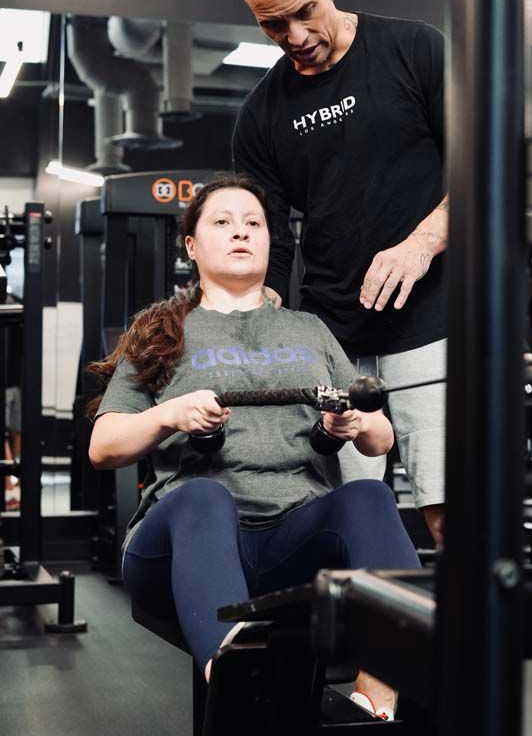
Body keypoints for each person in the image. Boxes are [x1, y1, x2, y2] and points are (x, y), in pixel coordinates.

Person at [88, 174, 419, 718]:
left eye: (253, 224)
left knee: (370, 498)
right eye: (222, 222)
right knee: (203, 495)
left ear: (269, 241)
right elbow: (104, 446)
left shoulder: (309, 329)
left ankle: (378, 697)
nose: (240, 232)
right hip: (186, 544)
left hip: (292, 538)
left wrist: (353, 423)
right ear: (192, 246)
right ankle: (242, 693)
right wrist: (170, 412)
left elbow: (381, 437)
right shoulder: (159, 329)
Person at [234, 0, 448, 545]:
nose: (296, 35)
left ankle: (474, 639)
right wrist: (258, 311)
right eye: (274, 25)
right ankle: (361, 641)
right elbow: (266, 235)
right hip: (331, 337)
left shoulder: (413, 50)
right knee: (345, 513)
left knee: (447, 502)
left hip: (431, 321)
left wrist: (422, 242)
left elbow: (486, 170)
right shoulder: (261, 114)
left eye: (305, 12)